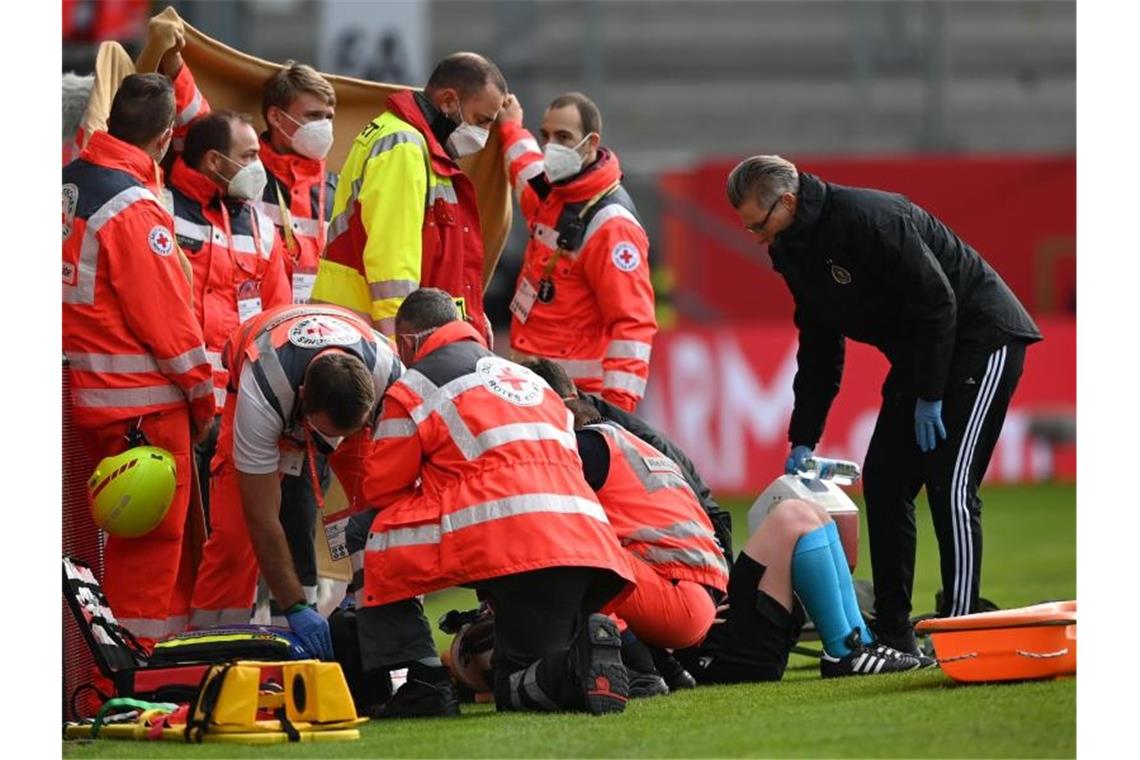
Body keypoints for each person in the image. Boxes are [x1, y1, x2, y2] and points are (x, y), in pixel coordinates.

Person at [725, 155, 1043, 654]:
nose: (756, 238)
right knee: (887, 480)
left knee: (951, 484)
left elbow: (940, 301)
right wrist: (803, 434)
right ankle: (895, 632)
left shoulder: (871, 219)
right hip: (926, 354)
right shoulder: (795, 252)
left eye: (758, 226)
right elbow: (820, 349)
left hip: (983, 337)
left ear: (786, 202)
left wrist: (930, 396)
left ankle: (961, 630)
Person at [344, 288, 636, 718]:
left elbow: (381, 490)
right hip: (586, 541)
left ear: (406, 343)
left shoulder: (413, 388)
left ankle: (423, 679)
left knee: (365, 530)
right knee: (531, 674)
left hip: (514, 544)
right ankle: (599, 656)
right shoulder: (532, 380)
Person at [63, 73, 215, 645]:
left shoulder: (63, 189)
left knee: (103, 549)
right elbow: (170, 325)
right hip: (145, 413)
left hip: (84, 400)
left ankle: (128, 669)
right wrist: (203, 400)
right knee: (150, 554)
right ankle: (133, 682)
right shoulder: (133, 208)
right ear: (165, 138)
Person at [188, 303, 403, 662]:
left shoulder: (390, 374)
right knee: (233, 539)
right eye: (326, 438)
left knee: (378, 508)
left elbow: (393, 501)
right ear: (302, 399)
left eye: (342, 438)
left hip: (344, 406)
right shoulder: (264, 386)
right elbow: (262, 518)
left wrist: (366, 591)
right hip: (264, 381)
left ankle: (379, 635)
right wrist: (295, 607)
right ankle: (209, 655)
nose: (332, 449)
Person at [311, 52, 508, 338]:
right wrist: (402, 340)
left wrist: (471, 318)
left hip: (365, 327)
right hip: (373, 332)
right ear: (449, 101)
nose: (483, 134)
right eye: (481, 120)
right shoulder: (404, 146)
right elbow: (392, 261)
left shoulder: (419, 146)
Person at [167, 110, 291, 519]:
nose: (259, 167)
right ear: (215, 161)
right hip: (179, 406)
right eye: (250, 155)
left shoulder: (262, 225)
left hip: (241, 414)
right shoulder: (161, 208)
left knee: (235, 535)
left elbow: (278, 320)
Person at [498, 92, 656, 412]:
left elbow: (632, 325)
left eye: (563, 136)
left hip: (579, 401)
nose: (551, 147)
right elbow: (523, 163)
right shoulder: (552, 193)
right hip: (532, 389)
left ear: (590, 142)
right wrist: (512, 126)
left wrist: (617, 414)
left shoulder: (611, 226)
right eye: (546, 135)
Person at [158, 39, 338, 305]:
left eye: (329, 117)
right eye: (313, 116)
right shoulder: (242, 175)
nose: (323, 126)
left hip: (321, 329)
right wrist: (172, 59)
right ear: (276, 117)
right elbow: (198, 120)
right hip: (256, 316)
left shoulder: (338, 189)